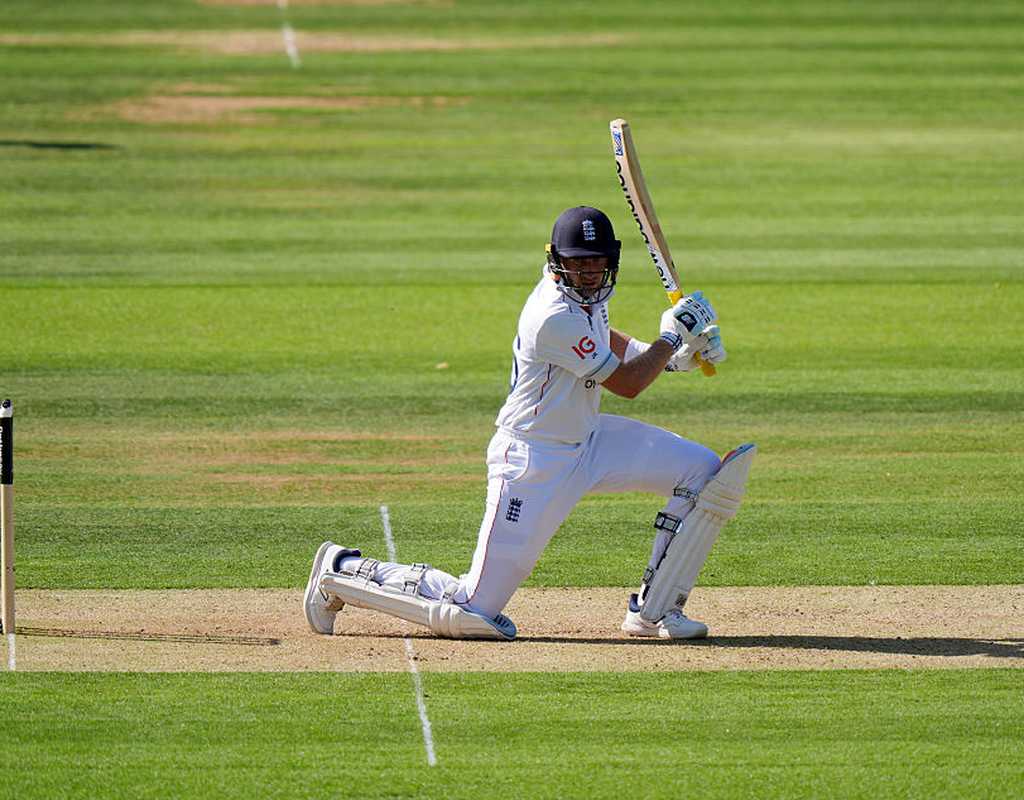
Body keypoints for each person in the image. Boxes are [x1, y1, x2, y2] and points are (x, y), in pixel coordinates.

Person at [303, 206, 753, 641]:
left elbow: (610, 346)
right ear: (556, 264)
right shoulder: (552, 316)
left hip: (590, 441)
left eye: (597, 264)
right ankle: (341, 570)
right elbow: (629, 384)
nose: (590, 274)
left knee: (703, 473)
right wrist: (673, 335)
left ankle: (655, 610)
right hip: (533, 461)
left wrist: (676, 359)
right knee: (474, 609)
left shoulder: (589, 299)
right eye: (579, 265)